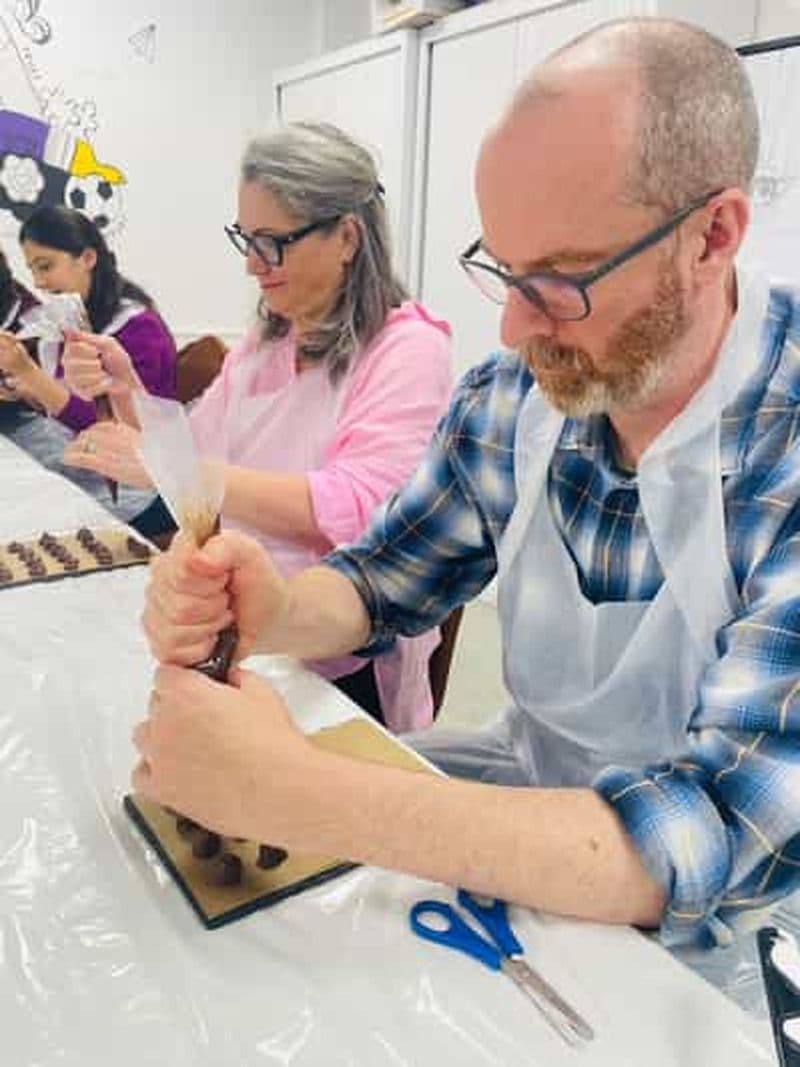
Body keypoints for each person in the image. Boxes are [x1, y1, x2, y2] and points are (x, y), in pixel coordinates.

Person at [133, 16, 800, 952]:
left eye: (562, 280)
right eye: (501, 269)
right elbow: (382, 580)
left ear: (711, 237)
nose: (514, 331)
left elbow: (722, 832)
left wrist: (308, 793)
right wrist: (274, 608)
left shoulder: (783, 444)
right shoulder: (518, 401)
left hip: (719, 938)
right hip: (526, 797)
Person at [63, 123, 453, 731]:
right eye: (246, 239)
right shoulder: (270, 337)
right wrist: (127, 391)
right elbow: (193, 450)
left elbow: (364, 506)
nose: (252, 265)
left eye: (271, 243)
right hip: (245, 622)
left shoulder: (407, 348)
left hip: (337, 651)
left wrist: (174, 466)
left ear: (347, 236)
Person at [0, 206, 177, 532]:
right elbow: (69, 404)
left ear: (87, 258)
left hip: (142, 486)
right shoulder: (72, 318)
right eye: (32, 270)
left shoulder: (139, 329)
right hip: (88, 461)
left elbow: (114, 429)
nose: (39, 282)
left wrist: (33, 377)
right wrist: (28, 390)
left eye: (46, 266)